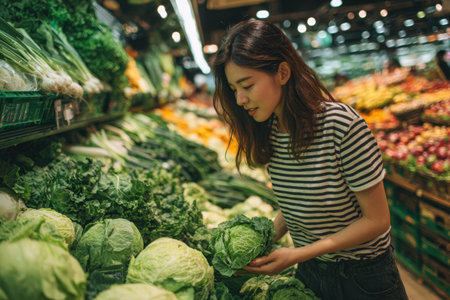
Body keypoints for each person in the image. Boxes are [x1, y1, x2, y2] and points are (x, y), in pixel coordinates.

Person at [212, 19, 408, 300]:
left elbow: (377, 220)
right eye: (233, 89)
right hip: (310, 275)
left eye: (247, 85)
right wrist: (266, 239)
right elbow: (297, 204)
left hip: (363, 279)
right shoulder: (270, 131)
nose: (240, 99)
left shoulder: (341, 125)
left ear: (282, 72)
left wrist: (299, 253)